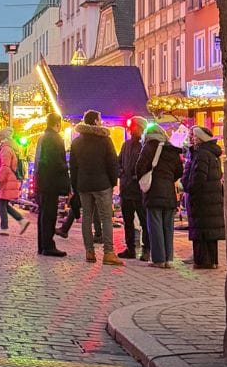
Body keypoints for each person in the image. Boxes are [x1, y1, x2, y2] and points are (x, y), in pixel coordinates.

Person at [70, 110, 120, 265]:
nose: (101, 122)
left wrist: (75, 186)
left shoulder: (76, 142)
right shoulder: (105, 140)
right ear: (95, 121)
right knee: (106, 218)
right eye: (100, 119)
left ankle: (89, 252)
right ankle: (108, 253)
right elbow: (112, 163)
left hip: (84, 184)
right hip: (102, 183)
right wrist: (113, 182)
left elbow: (73, 166)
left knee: (87, 218)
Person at [136, 122, 184, 267]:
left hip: (153, 191)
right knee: (168, 226)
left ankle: (159, 259)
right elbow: (179, 171)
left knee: (155, 225)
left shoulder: (149, 147)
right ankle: (168, 259)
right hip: (169, 192)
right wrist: (169, 178)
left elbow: (139, 167)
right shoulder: (172, 149)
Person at [182, 125, 225, 268]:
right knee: (210, 231)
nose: (192, 139)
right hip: (211, 197)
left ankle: (203, 261)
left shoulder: (201, 155)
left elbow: (198, 178)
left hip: (202, 198)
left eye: (194, 136)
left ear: (200, 138)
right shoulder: (212, 153)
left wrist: (187, 186)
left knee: (202, 230)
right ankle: (212, 261)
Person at [33, 114, 69, 257]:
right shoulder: (55, 138)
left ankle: (42, 245)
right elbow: (56, 162)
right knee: (49, 215)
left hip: (42, 182)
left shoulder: (42, 137)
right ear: (57, 124)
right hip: (51, 182)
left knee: (43, 214)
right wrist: (65, 172)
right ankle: (48, 246)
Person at [117, 115, 151, 260]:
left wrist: (138, 177)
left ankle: (146, 249)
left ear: (141, 128)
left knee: (144, 221)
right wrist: (121, 173)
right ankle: (130, 248)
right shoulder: (126, 145)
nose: (131, 129)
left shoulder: (146, 145)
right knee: (128, 221)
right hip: (126, 189)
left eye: (134, 126)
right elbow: (118, 162)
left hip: (139, 191)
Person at [0, 128, 29, 234]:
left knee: (2, 203)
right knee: (3, 203)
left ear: (3, 138)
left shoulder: (6, 149)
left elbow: (5, 166)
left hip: (6, 180)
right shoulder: (9, 148)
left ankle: (4, 227)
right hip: (8, 179)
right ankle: (21, 221)